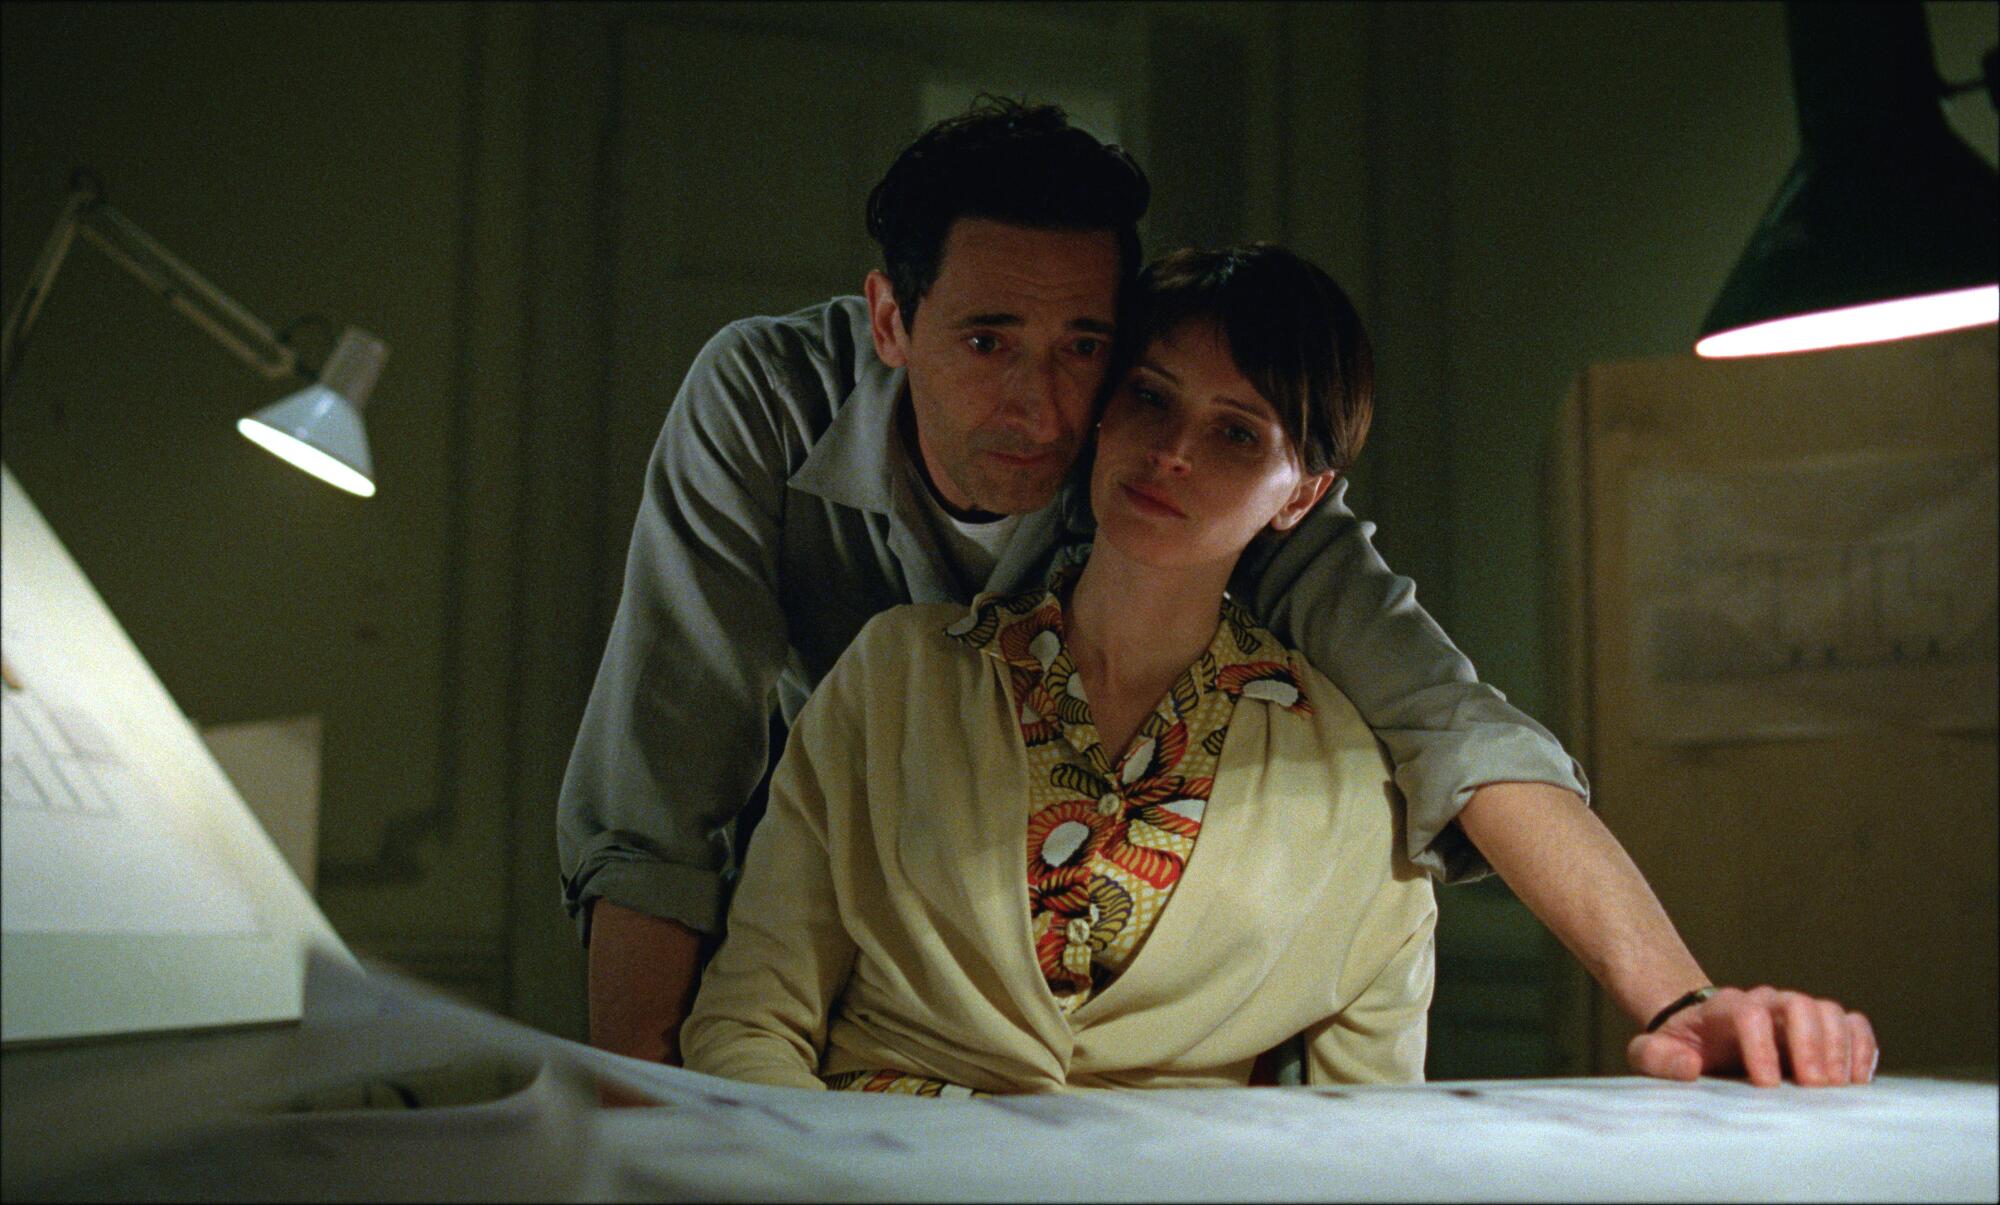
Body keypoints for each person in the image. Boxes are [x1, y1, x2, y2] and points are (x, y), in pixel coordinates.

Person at [558, 98, 1877, 1088]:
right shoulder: (767, 401)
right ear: (891, 322)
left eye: (1087, 346)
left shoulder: (1173, 456)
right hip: (837, 962)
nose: (1039, 403)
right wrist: (645, 1109)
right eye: (982, 341)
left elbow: (1457, 724)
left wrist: (1671, 1003)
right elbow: (668, 773)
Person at [682, 245, 1433, 1091]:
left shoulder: (1352, 786)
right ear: (1104, 411)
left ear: (1300, 494)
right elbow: (748, 1022)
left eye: (1235, 433)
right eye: (1150, 397)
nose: (1174, 452)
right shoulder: (899, 674)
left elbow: (1368, 1139)